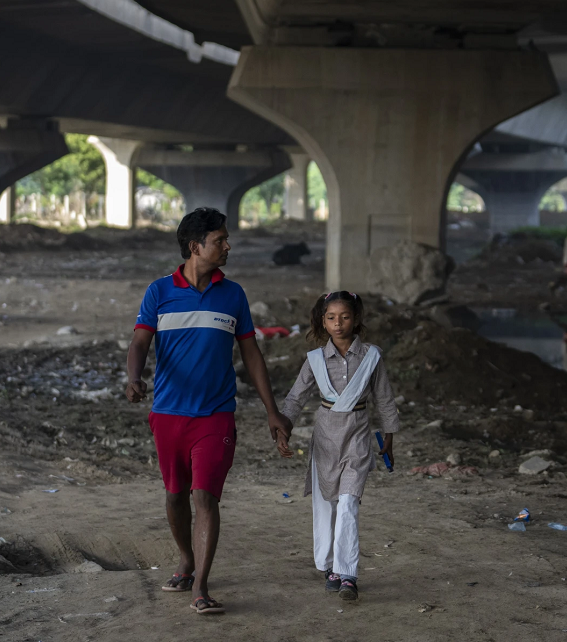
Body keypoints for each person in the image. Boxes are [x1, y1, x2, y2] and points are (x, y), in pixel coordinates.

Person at [126, 207, 292, 615]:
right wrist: (133, 377)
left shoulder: (233, 294)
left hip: (216, 415)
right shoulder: (159, 292)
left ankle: (200, 584)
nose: (227, 246)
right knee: (174, 495)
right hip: (167, 412)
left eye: (225, 238)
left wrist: (273, 411)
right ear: (194, 246)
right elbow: (139, 344)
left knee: (205, 496)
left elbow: (251, 354)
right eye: (219, 240)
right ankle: (186, 558)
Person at [276, 290, 400, 603]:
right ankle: (329, 565)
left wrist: (389, 435)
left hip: (357, 438)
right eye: (331, 318)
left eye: (345, 317)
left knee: (348, 505)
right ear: (322, 321)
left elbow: (384, 398)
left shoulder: (371, 357)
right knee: (326, 504)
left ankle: (347, 575)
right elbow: (295, 398)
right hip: (325, 440)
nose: (338, 323)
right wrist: (282, 429)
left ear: (356, 319)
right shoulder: (315, 360)